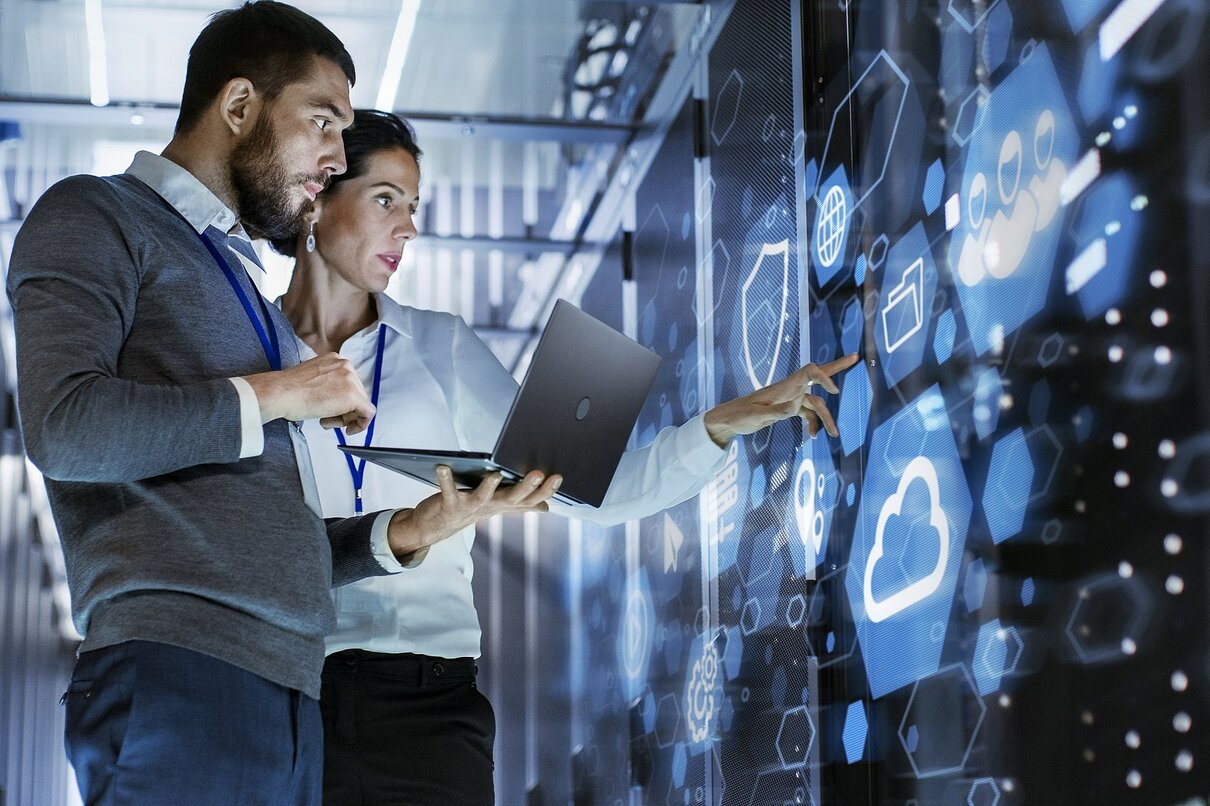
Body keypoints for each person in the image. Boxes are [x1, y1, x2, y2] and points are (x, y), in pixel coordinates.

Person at [5, 5, 557, 804]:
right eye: (323, 122)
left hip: (289, 695)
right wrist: (283, 392)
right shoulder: (95, 215)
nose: (335, 158)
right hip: (180, 673)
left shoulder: (248, 299)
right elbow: (65, 427)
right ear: (238, 108)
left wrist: (411, 532)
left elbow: (271, 534)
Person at [274, 109, 859, 805]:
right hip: (287, 694)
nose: (408, 228)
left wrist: (724, 424)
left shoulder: (441, 347)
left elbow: (594, 492)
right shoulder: (249, 354)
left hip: (428, 705)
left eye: (414, 207)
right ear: (318, 198)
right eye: (385, 200)